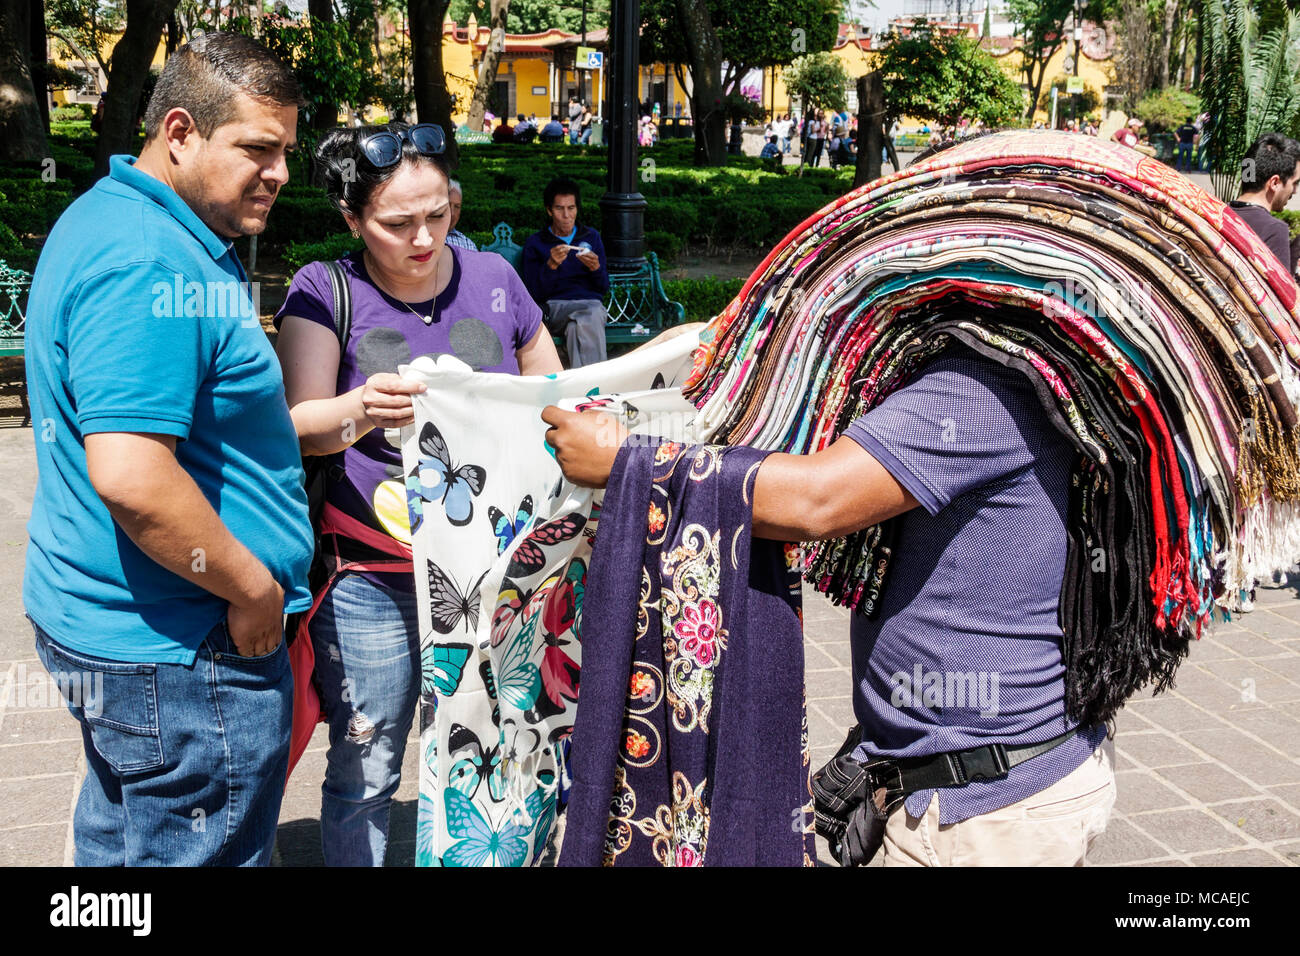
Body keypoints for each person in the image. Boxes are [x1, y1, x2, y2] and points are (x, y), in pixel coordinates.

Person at [541, 333, 1116, 867]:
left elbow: (816, 499)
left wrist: (625, 460)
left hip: (982, 814)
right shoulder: (1033, 367)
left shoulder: (976, 387)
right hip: (1008, 772)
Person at [23, 31, 311, 866]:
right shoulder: (149, 259)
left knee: (119, 855)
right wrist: (254, 588)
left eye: (287, 150)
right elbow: (134, 476)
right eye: (257, 148)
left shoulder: (124, 216)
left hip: (128, 639)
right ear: (179, 132)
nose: (280, 173)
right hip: (185, 653)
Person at [274, 121, 562, 866]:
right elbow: (300, 425)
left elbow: (554, 393)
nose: (425, 237)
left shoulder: (497, 279)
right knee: (368, 764)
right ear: (351, 219)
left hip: (493, 570)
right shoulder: (322, 289)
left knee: (499, 741)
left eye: (440, 214)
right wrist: (360, 409)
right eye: (398, 223)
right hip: (374, 576)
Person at [521, 176, 610, 368]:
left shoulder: (591, 237)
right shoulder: (537, 243)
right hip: (555, 309)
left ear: (577, 209)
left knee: (576, 328)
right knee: (592, 314)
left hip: (589, 306)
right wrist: (551, 266)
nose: (566, 215)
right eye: (559, 209)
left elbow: (602, 288)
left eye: (571, 208)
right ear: (549, 210)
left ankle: (582, 389)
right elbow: (533, 294)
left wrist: (595, 268)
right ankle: (600, 382)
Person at [1231, 132, 1300, 272]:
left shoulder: (1215, 214)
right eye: (1295, 183)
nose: (1295, 191)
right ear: (1274, 182)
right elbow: (1281, 292)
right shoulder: (1274, 230)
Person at [444, 178, 476, 251]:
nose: (452, 213)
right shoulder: (424, 239)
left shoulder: (468, 245)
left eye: (457, 206)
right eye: (448, 205)